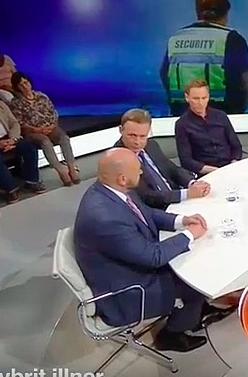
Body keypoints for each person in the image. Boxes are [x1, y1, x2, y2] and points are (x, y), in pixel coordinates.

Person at [74, 148, 225, 352]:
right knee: (196, 282)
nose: (142, 172)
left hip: (128, 264)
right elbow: (153, 257)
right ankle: (172, 334)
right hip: (126, 291)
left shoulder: (111, 189)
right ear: (122, 178)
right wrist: (190, 234)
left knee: (192, 258)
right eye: (138, 169)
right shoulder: (105, 217)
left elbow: (147, 213)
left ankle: (194, 312)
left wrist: (182, 221)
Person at [161, 0, 248, 115]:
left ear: (198, 12)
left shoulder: (175, 39)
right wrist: (239, 111)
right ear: (226, 13)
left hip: (181, 116)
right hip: (222, 116)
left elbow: (164, 76)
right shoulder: (232, 39)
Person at [116, 108, 209, 210]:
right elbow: (146, 197)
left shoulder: (151, 145)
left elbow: (172, 169)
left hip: (179, 198)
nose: (137, 142)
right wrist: (186, 193)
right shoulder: (117, 160)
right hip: (159, 210)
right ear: (121, 130)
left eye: (143, 136)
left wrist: (192, 183)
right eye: (132, 135)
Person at [8, 72, 79, 186]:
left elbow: (53, 112)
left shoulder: (41, 96)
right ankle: (61, 171)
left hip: (50, 127)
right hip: (32, 131)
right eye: (21, 85)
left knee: (64, 138)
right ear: (17, 87)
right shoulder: (16, 103)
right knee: (45, 142)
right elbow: (19, 122)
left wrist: (52, 125)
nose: (25, 86)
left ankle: (72, 168)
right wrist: (36, 130)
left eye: (26, 83)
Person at [174, 79, 243, 175]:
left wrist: (233, 163)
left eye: (204, 98)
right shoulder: (182, 124)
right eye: (196, 98)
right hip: (206, 173)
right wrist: (215, 171)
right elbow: (186, 161)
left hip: (230, 167)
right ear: (187, 98)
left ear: (208, 97)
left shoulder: (221, 116)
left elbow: (236, 146)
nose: (201, 102)